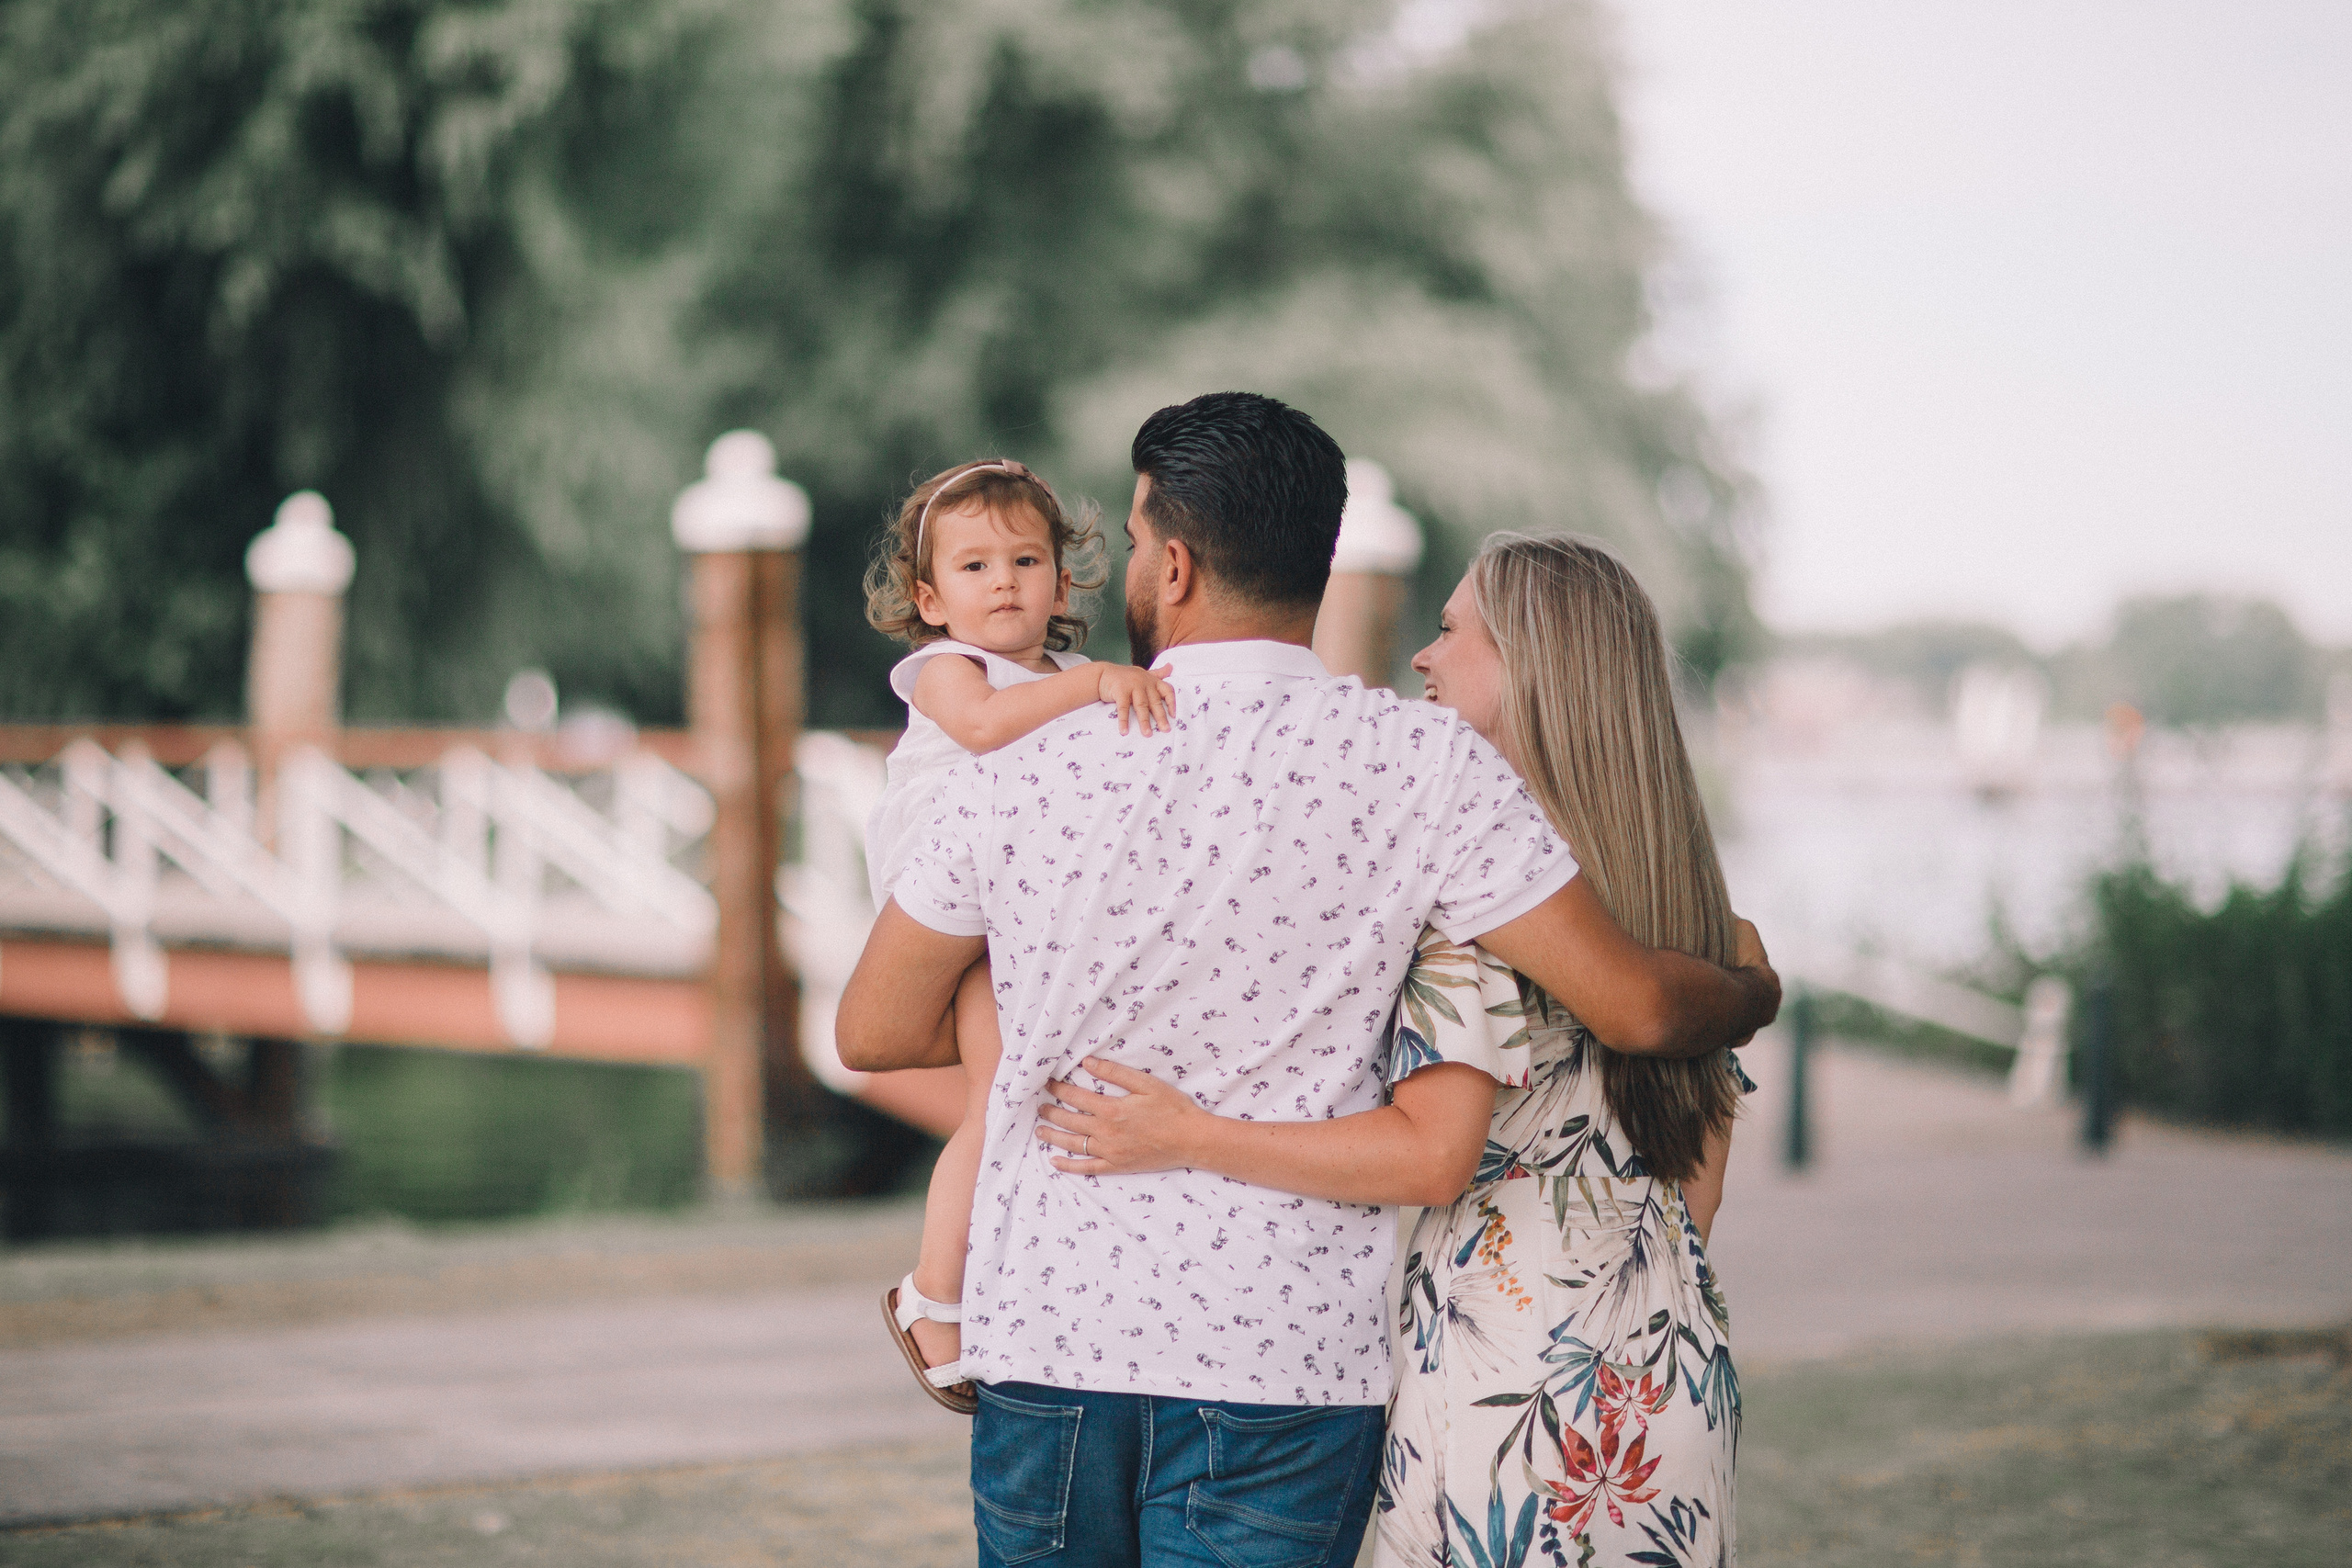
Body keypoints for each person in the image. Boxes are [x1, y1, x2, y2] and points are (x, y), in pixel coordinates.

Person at [837, 391, 1780, 1568]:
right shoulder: (1424, 764)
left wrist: (1033, 1022)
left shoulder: (1022, 757)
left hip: (1053, 1340)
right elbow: (1635, 1005)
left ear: (1173, 565)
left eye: (1130, 546)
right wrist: (1749, 991)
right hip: (1283, 1356)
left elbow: (873, 1031)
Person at [1030, 534, 1756, 1567]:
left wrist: (1189, 1133)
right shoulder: (1687, 907)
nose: (1421, 655)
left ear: (1532, 669)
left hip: (1498, 1380)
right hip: (1665, 1366)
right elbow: (1700, 1180)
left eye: (1453, 630)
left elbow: (1426, 1156)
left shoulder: (1469, 899)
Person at [861, 457, 1176, 1413]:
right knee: (997, 1096)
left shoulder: (1079, 676)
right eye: (973, 567)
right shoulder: (953, 670)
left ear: (1061, 578)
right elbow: (991, 728)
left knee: (1031, 1094)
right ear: (929, 597)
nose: (1002, 581)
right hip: (951, 907)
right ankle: (931, 1296)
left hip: (1034, 907)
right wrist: (1095, 693)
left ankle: (1013, 1280)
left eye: (1025, 559)